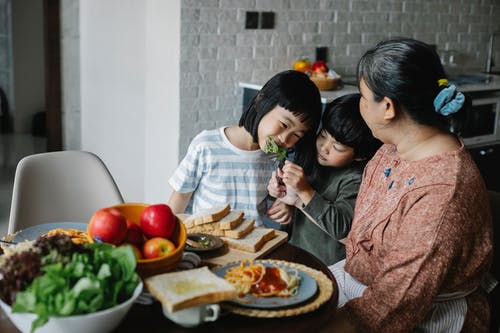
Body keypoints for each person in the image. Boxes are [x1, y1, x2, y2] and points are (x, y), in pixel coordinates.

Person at [320, 38, 495, 333]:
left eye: (363, 97)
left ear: (387, 107)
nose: (360, 105)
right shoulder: (391, 149)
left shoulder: (441, 192)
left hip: (423, 315)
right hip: (363, 286)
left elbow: (390, 307)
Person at [168, 70, 322, 226]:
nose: (284, 138)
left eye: (296, 135)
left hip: (254, 246)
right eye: (283, 125)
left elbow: (262, 194)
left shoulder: (275, 158)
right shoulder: (206, 145)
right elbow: (181, 196)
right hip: (209, 242)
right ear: (260, 102)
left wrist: (284, 203)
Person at [266, 93, 381, 265]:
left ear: (360, 156)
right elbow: (293, 197)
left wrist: (303, 192)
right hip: (295, 252)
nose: (324, 148)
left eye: (337, 147)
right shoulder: (311, 156)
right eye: (323, 135)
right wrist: (282, 195)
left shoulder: (356, 180)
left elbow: (341, 228)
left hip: (327, 266)